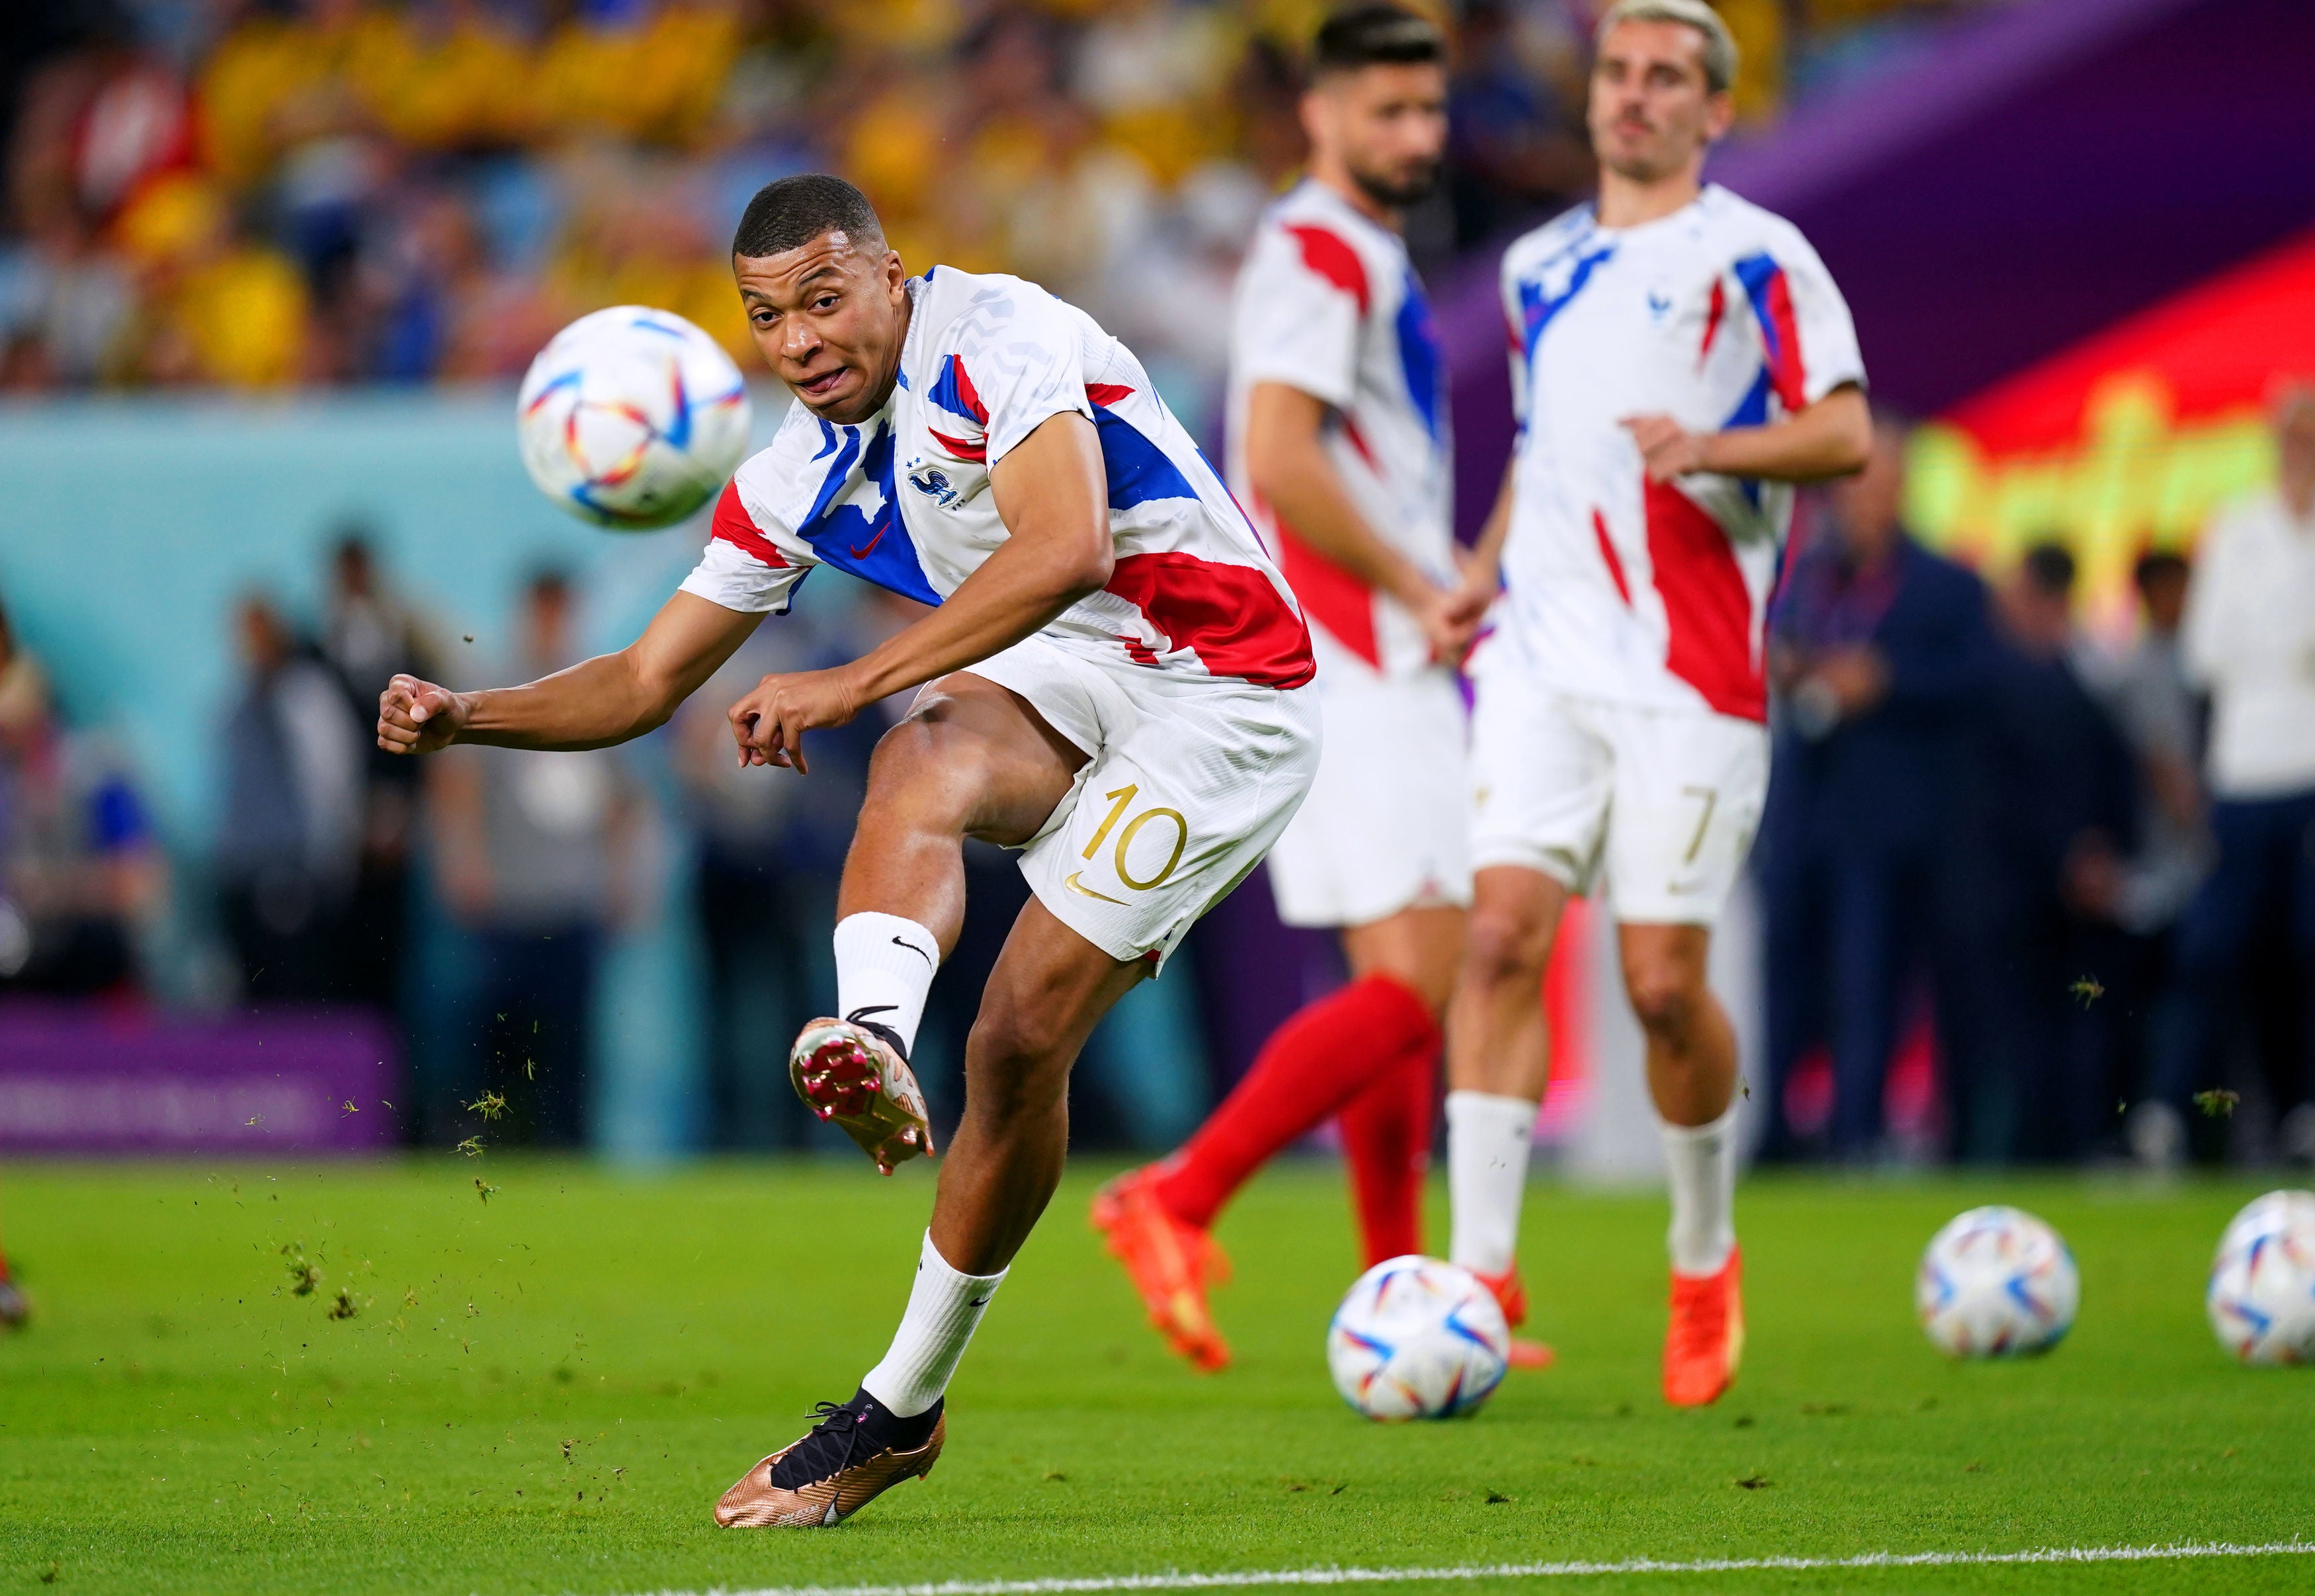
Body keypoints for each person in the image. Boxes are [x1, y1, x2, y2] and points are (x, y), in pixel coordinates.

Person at [375, 174, 1319, 1526]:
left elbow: (1063, 545)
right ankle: (870, 1037)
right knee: (920, 757)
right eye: (769, 317)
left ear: (891, 275)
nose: (803, 340)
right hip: (1074, 672)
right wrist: (473, 716)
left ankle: (898, 1411)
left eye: (825, 299)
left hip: (1227, 690)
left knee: (1013, 1040)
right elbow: (646, 682)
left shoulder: (1002, 336)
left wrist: (850, 676)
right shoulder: (797, 470)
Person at [1088, 3, 1540, 1375]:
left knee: (1387, 996)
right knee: (1427, 982)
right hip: (1352, 661)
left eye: (1427, 111)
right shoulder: (1313, 251)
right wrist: (1413, 586)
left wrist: (1426, 572)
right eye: (1385, 112)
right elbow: (1278, 457)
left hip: (1346, 652)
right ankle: (1174, 1194)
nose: (1415, 135)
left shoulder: (1361, 250)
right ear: (1318, 116)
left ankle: (1403, 1294)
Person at [1446, 0, 1870, 1407]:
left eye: (1666, 78)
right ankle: (1481, 1276)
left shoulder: (1755, 254)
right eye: (1617, 73)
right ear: (1592, 99)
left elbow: (1845, 428)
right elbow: (1540, 443)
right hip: (1536, 654)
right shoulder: (1536, 264)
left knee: (1658, 985)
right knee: (1500, 935)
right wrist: (1480, 568)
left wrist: (1714, 444)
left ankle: (1701, 1254)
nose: (1634, 96)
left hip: (1690, 672)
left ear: (1712, 109)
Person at [1757, 415, 1992, 1161]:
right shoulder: (1808, 576)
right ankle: (1775, 1137)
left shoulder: (1945, 582)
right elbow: (1785, 652)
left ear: (1900, 488)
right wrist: (1792, 667)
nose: (1859, 498)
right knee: (1785, 978)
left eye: (1875, 481)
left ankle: (1854, 1136)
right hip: (1803, 815)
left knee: (1867, 984)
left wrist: (1886, 682)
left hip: (1889, 824)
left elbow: (1979, 682)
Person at [2154, 384, 2315, 1164]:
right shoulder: (2238, 528)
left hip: (2308, 766)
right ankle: (2168, 1114)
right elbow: (2203, 650)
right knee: (2216, 949)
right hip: (2246, 768)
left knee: (2306, 946)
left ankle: (2301, 1110)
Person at [423, 571, 640, 1149]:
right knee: (498, 1037)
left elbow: (623, 800)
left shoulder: (602, 683)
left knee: (571, 1042)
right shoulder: (494, 681)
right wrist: (463, 862)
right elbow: (458, 783)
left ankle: (567, 1149)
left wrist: (622, 877)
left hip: (574, 894)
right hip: (509, 895)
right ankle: (493, 1142)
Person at [216, 594, 366, 1002]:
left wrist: (326, 858)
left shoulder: (307, 695)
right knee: (253, 988)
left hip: (294, 864)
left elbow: (332, 779)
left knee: (299, 985)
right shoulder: (238, 700)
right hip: (244, 866)